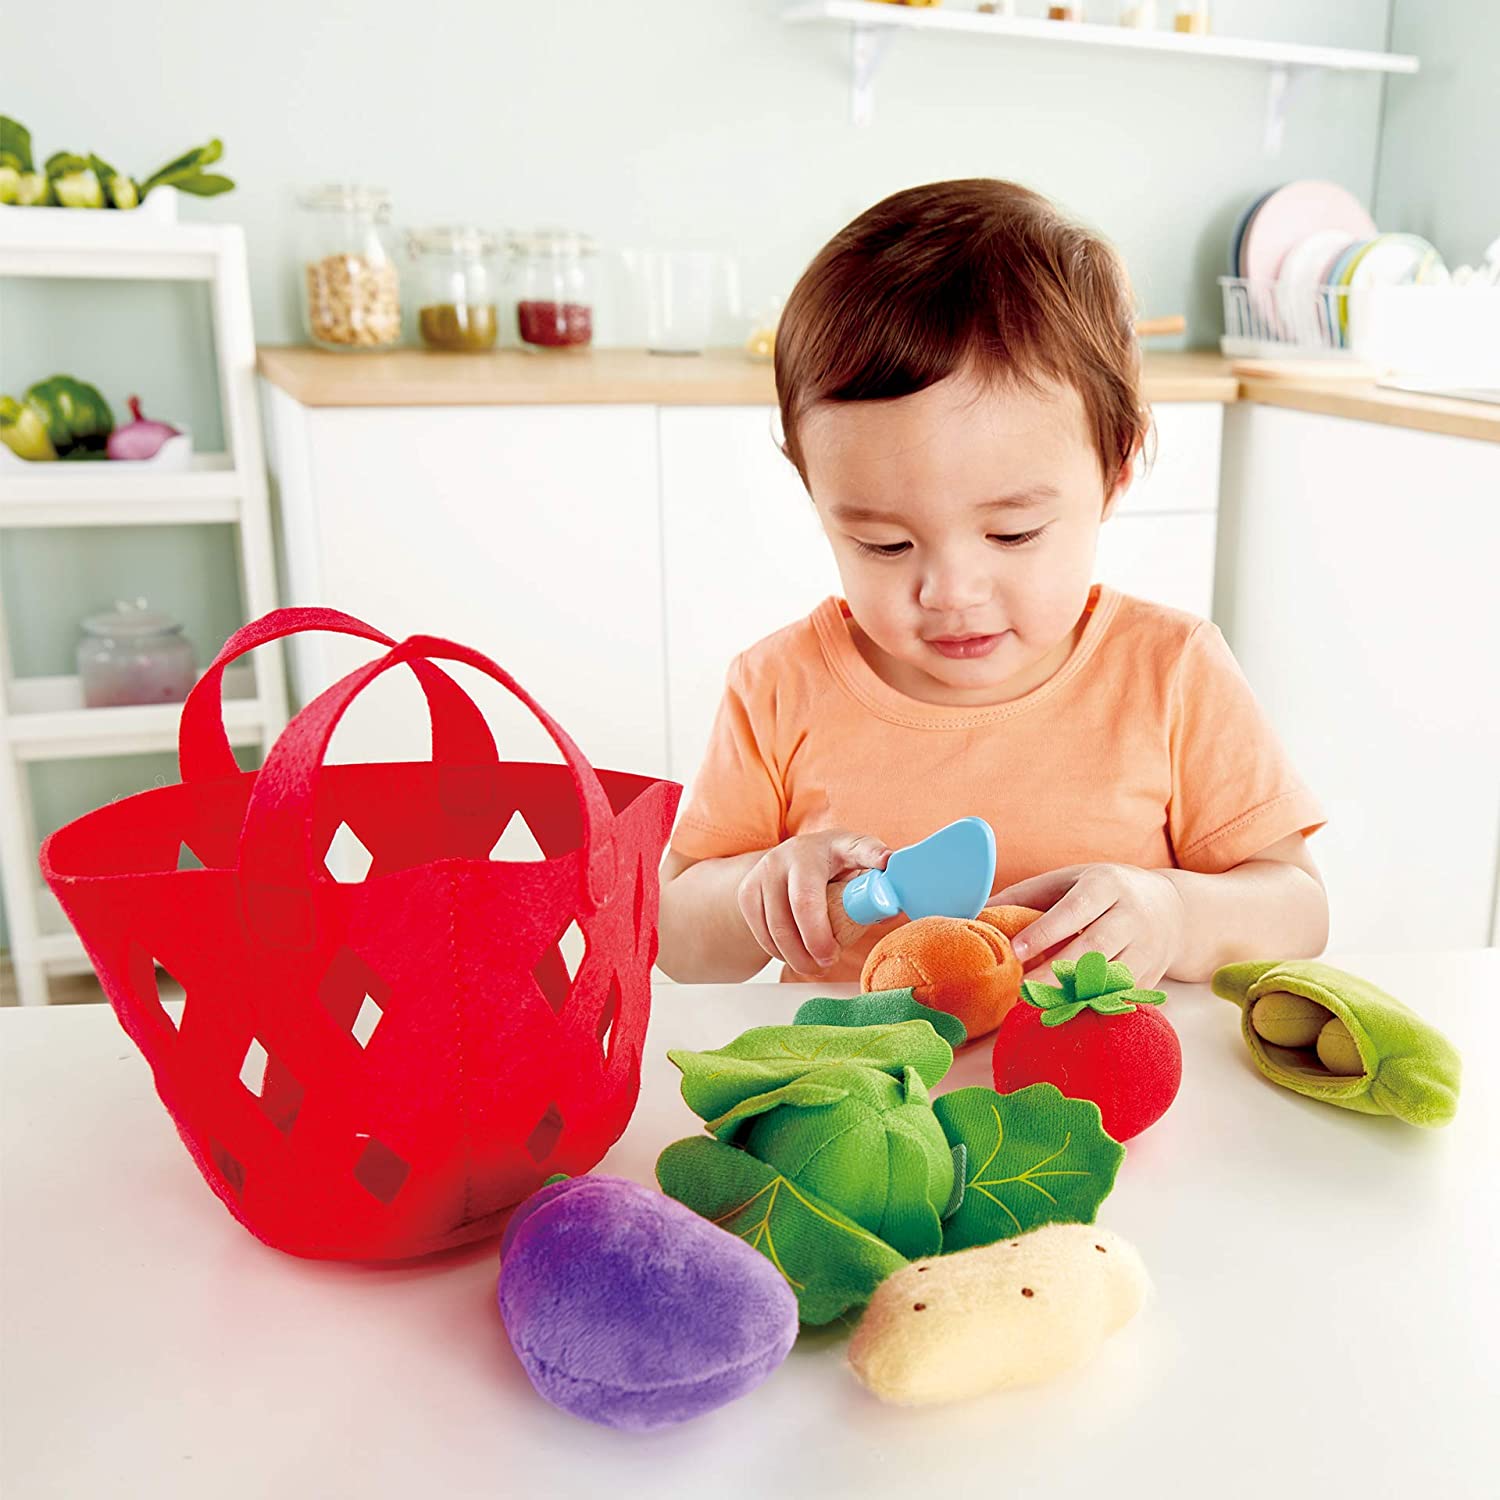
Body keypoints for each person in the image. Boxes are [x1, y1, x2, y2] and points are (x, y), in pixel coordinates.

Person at [656, 178, 1328, 989]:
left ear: (1116, 470)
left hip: (1097, 1069)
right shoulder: (777, 687)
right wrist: (761, 895)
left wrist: (1175, 913)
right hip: (854, 1070)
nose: (950, 592)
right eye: (884, 544)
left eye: (1013, 534)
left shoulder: (1172, 671)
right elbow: (675, 939)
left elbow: (1299, 910)